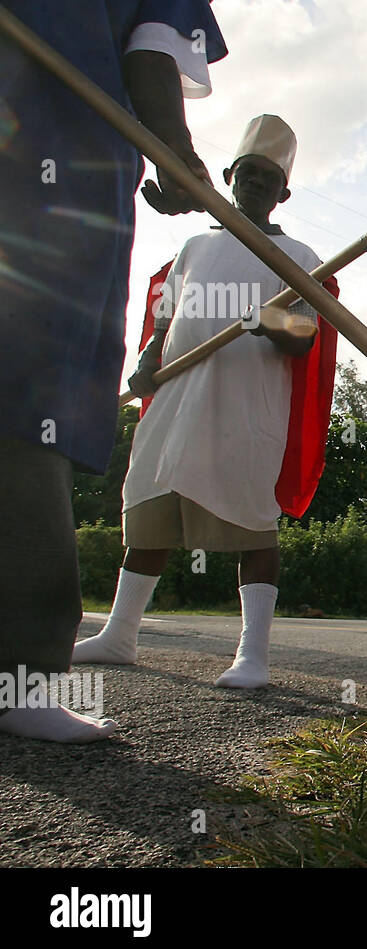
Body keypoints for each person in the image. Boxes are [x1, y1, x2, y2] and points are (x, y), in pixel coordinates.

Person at [0, 1, 226, 742]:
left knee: (29, 390)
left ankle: (21, 672)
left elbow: (154, 36)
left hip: (60, 153)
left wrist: (169, 144)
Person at [72, 115, 338, 688]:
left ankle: (253, 657)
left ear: (284, 192)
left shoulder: (298, 254)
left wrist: (265, 318)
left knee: (252, 524)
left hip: (249, 407)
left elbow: (306, 334)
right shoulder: (195, 245)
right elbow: (163, 317)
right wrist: (147, 362)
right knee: (149, 512)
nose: (258, 185)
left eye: (270, 178)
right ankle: (120, 635)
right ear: (229, 176)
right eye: (249, 174)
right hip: (177, 400)